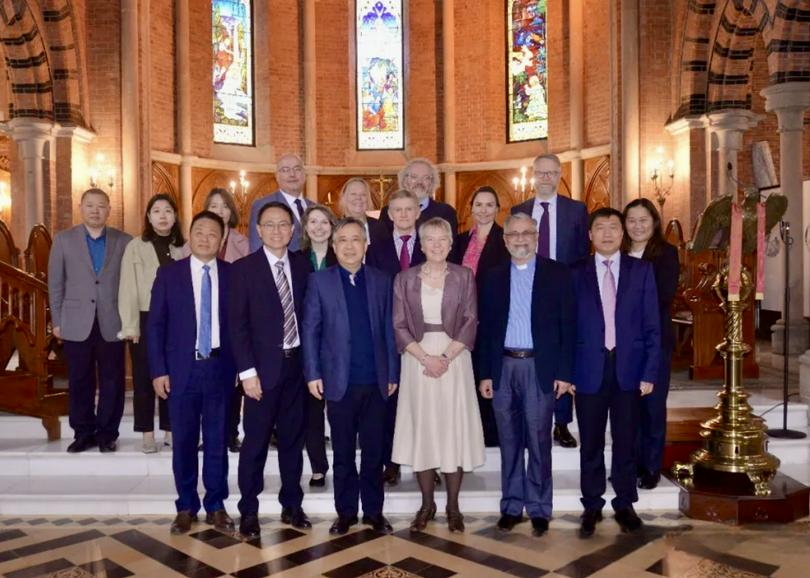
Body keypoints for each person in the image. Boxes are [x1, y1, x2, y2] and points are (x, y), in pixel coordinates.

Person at [477, 213, 575, 537]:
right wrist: (486, 374)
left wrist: (564, 372)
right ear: (505, 241)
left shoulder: (557, 274)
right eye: (514, 235)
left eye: (526, 234)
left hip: (539, 367)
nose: (520, 239)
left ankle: (539, 508)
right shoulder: (491, 277)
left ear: (537, 237)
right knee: (509, 441)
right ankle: (510, 505)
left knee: (538, 440)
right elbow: (487, 329)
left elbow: (567, 326)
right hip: (503, 367)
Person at [302, 217, 399, 535]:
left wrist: (392, 372)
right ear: (333, 245)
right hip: (338, 382)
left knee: (373, 454)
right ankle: (344, 513)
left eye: (356, 239)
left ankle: (373, 512)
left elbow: (389, 329)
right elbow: (311, 330)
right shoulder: (321, 281)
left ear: (366, 245)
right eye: (342, 240)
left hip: (375, 381)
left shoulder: (382, 280)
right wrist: (313, 373)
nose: (349, 246)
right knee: (343, 453)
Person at [570, 207, 660, 538]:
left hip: (629, 369)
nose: (607, 233)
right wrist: (566, 374)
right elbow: (567, 327)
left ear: (622, 235)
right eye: (600, 228)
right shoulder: (575, 272)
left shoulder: (641, 271)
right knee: (590, 442)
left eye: (613, 227)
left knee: (626, 439)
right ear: (590, 235)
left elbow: (652, 326)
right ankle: (592, 503)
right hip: (588, 369)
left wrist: (649, 371)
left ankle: (624, 502)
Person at [392, 217, 484, 533]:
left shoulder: (464, 276)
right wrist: (425, 358)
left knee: (452, 429)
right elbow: (399, 325)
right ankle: (427, 503)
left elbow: (471, 320)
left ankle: (453, 507)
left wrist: (444, 357)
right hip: (417, 360)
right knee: (424, 430)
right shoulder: (404, 279)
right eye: (429, 239)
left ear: (450, 242)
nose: (436, 244)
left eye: (442, 238)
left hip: (454, 359)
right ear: (421, 244)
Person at [147, 211, 237, 535]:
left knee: (217, 441)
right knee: (184, 440)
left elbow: (240, 327)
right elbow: (155, 326)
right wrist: (158, 370)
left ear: (222, 238)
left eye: (213, 233)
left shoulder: (232, 275)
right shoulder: (169, 275)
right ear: (190, 235)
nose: (205, 238)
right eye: (199, 231)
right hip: (181, 370)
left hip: (220, 369)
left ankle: (216, 504)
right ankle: (185, 505)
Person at [230, 201, 312, 538]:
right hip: (261, 374)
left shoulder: (304, 266)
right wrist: (247, 373)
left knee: (293, 442)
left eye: (283, 224)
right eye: (270, 224)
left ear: (293, 231)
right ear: (258, 230)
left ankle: (292, 504)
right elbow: (237, 326)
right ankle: (249, 509)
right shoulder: (244, 269)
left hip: (298, 369)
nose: (277, 230)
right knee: (256, 444)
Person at [511, 153, 588, 449]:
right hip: (527, 289)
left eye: (551, 173)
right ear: (533, 176)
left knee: (561, 353)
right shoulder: (519, 209)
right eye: (540, 173)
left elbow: (582, 254)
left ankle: (562, 423)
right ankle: (530, 418)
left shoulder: (577, 210)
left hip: (563, 291)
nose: (545, 178)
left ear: (559, 176)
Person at [48, 188, 132, 453]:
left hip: (112, 321)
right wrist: (57, 319)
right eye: (90, 205)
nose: (95, 210)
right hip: (75, 321)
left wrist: (130, 321)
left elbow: (129, 286)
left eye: (101, 206)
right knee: (80, 379)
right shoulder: (63, 240)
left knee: (112, 380)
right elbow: (55, 284)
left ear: (109, 209)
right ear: (81, 208)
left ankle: (107, 434)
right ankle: (83, 433)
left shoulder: (124, 241)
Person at [183, 188, 251, 453]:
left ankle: (231, 432)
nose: (219, 211)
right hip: (200, 324)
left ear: (231, 211)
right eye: (213, 205)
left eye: (224, 206)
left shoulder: (241, 242)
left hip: (231, 322)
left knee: (233, 384)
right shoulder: (194, 241)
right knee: (202, 385)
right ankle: (206, 434)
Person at [365, 188, 426, 485]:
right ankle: (391, 461)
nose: (403, 215)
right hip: (388, 336)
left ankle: (427, 462)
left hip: (426, 335)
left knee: (423, 401)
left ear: (418, 212)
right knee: (389, 401)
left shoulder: (431, 244)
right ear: (389, 215)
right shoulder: (375, 248)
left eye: (408, 209)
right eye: (397, 210)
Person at [118, 193, 185, 454]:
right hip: (145, 318)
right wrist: (131, 325)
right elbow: (128, 287)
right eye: (157, 211)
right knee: (145, 378)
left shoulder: (183, 246)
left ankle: (170, 429)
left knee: (174, 376)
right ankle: (147, 432)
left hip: (177, 320)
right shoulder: (136, 246)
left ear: (175, 216)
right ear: (148, 216)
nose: (163, 216)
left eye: (168, 210)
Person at [623, 199, 679, 490]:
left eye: (643, 220)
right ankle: (628, 465)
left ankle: (651, 467)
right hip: (621, 345)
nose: (637, 225)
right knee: (627, 407)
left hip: (653, 341)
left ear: (654, 222)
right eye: (631, 220)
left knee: (653, 406)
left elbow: (663, 297)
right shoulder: (618, 252)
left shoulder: (666, 254)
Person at [456, 185, 510, 447]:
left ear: (498, 209)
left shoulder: (505, 240)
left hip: (492, 317)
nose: (484, 210)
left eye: (490, 205)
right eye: (479, 204)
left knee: (489, 374)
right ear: (472, 208)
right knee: (469, 375)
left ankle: (491, 434)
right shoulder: (461, 240)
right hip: (463, 321)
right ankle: (471, 431)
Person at [300, 204, 337, 488]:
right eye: (313, 222)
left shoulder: (345, 256)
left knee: (337, 408)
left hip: (338, 344)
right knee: (312, 410)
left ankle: (345, 462)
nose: (319, 227)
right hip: (306, 343)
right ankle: (318, 466)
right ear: (305, 227)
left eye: (324, 222)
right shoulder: (297, 260)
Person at [247, 154, 313, 252]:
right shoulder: (262, 205)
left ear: (304, 175)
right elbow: (256, 249)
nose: (292, 174)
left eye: (297, 169)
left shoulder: (315, 207)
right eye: (285, 170)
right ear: (277, 176)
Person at [378, 158, 458, 239]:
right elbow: (381, 245)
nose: (419, 182)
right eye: (414, 177)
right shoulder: (388, 212)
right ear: (405, 181)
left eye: (426, 178)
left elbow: (451, 248)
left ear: (431, 182)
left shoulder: (446, 212)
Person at [338, 177, 384, 244]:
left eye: (363, 194)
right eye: (353, 194)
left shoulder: (380, 228)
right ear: (344, 197)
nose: (358, 198)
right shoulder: (334, 227)